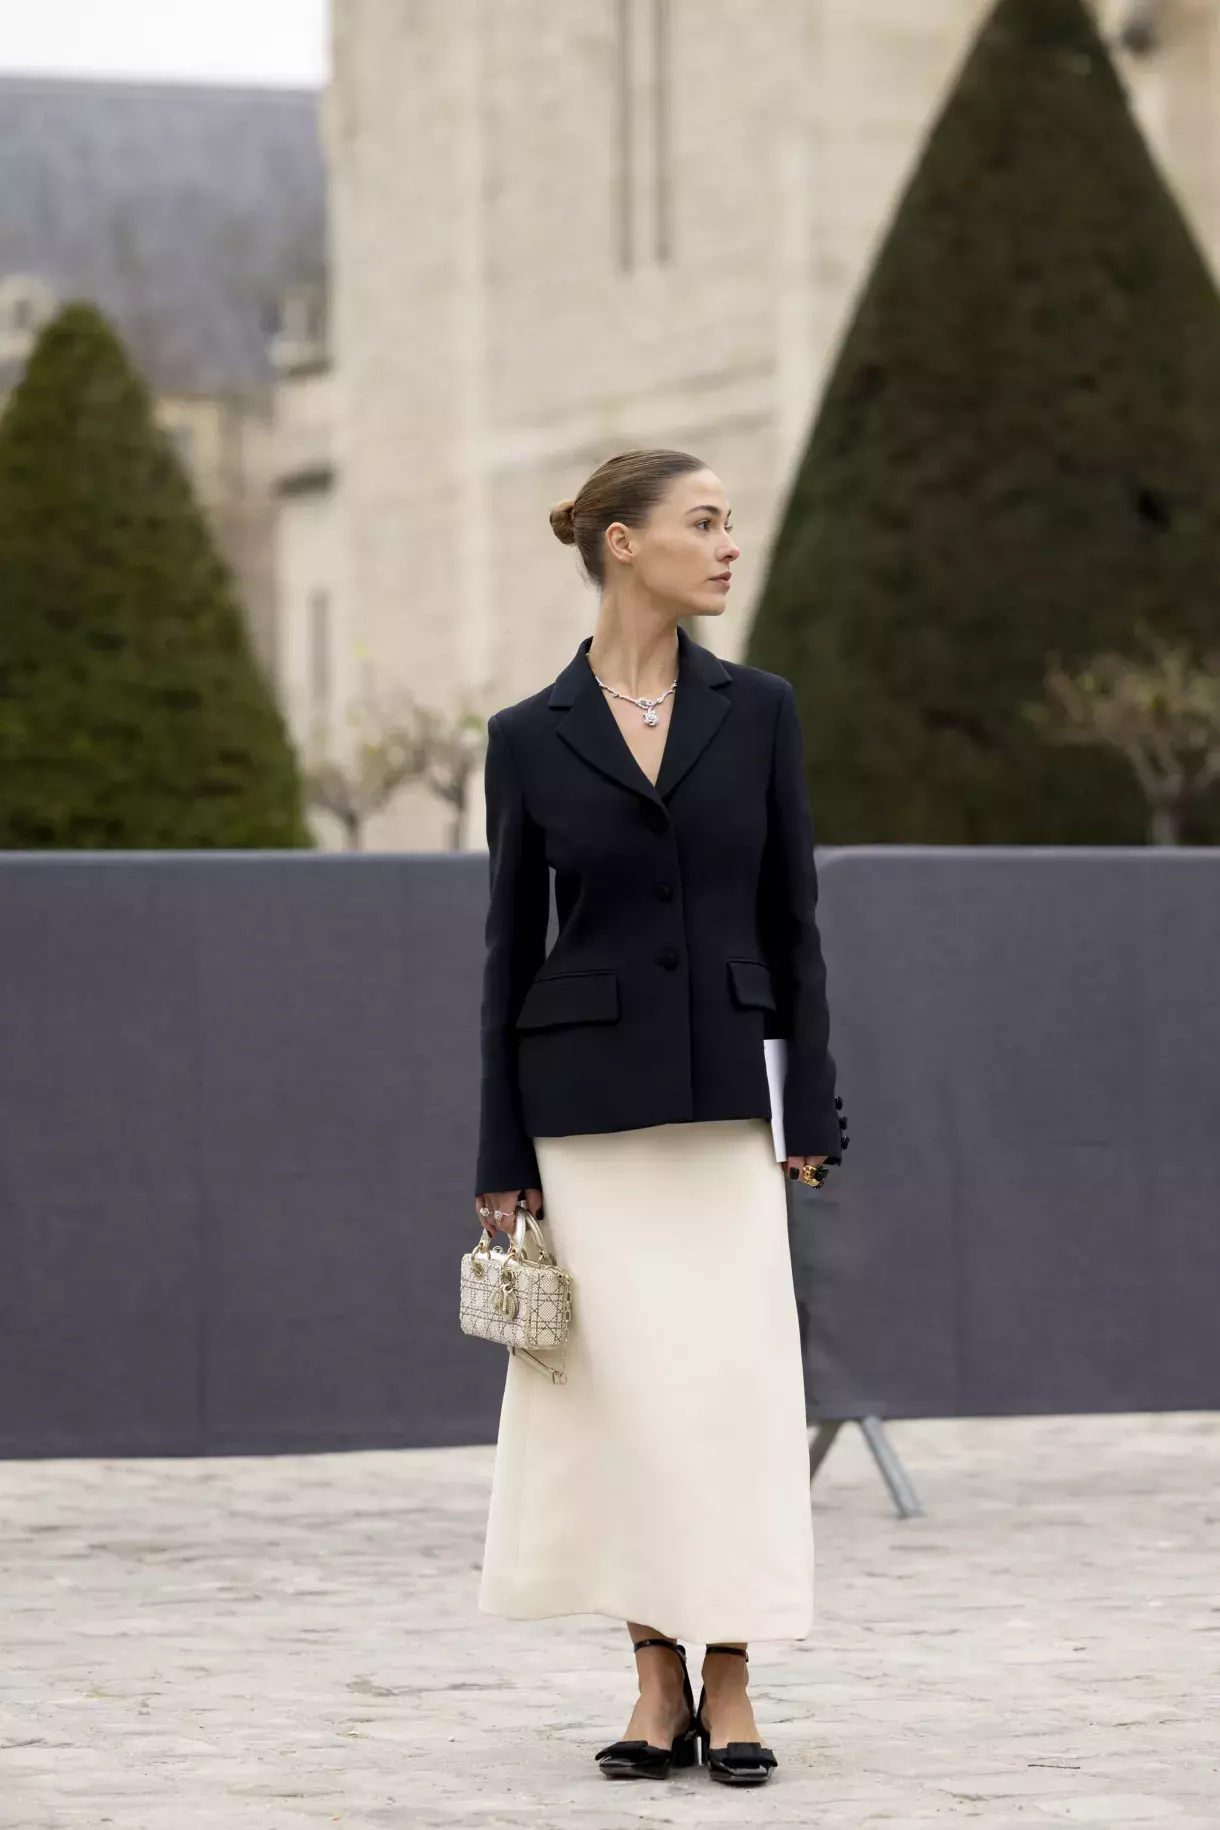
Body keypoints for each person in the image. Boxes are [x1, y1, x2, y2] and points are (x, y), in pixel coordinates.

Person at [472, 448, 845, 1787]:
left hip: (728, 1105)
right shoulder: (529, 734)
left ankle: (729, 1670)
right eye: (705, 521)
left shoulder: (761, 712)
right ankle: (653, 1675)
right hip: (583, 1114)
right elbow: (508, 951)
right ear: (623, 542)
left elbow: (794, 921)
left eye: (730, 522)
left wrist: (810, 1101)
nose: (730, 543)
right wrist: (501, 1150)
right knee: (624, 1400)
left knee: (735, 1391)